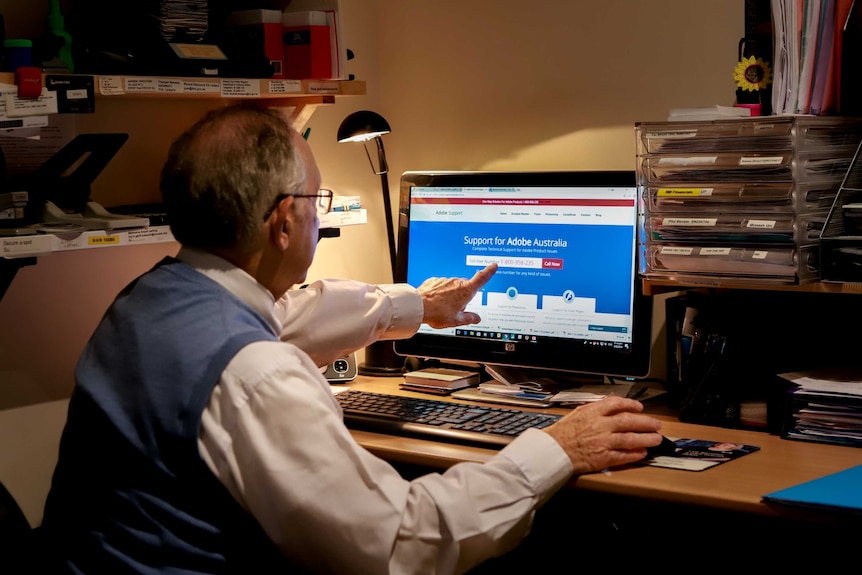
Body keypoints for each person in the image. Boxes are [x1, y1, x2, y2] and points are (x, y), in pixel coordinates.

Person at [40, 105, 664, 574]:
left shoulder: (150, 301)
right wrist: (554, 449)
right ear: (285, 220)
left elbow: (293, 314)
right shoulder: (258, 375)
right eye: (318, 198)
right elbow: (401, 543)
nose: (321, 211)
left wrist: (420, 304)